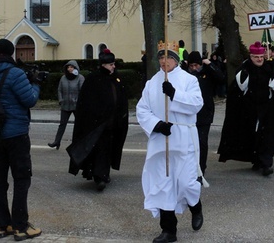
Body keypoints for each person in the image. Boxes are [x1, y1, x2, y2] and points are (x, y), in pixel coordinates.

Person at [137, 41, 204, 243]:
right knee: (162, 184)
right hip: (162, 140)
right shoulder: (152, 83)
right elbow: (142, 109)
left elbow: (196, 104)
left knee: (185, 182)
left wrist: (174, 93)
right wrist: (157, 124)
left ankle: (196, 206)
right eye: (161, 58)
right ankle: (169, 230)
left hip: (183, 138)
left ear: (175, 60)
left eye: (168, 57)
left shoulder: (188, 80)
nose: (164, 61)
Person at [0, 38, 42, 241]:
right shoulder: (16, 74)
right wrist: (36, 84)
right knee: (21, 179)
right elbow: (29, 100)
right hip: (16, 134)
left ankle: (2, 225)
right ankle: (20, 226)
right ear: (10, 53)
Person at [67, 49, 128, 191]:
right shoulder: (93, 79)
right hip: (98, 125)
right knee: (100, 150)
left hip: (113, 123)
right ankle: (99, 176)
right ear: (104, 65)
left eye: (114, 64)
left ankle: (104, 174)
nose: (113, 66)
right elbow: (87, 103)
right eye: (111, 64)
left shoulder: (116, 78)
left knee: (108, 150)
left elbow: (122, 97)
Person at [218, 42, 274, 176]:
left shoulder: (271, 68)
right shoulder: (244, 70)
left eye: (261, 57)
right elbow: (237, 91)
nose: (259, 59)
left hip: (267, 110)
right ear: (251, 57)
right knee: (253, 136)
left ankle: (266, 163)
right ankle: (256, 159)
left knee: (267, 137)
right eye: (255, 57)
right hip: (249, 110)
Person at [185, 50, 225, 175]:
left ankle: (201, 168)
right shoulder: (185, 75)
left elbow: (221, 78)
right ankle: (190, 168)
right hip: (188, 113)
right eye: (191, 66)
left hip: (204, 112)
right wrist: (183, 64)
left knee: (202, 142)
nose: (194, 68)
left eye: (196, 65)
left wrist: (210, 64)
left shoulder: (207, 72)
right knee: (188, 143)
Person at [48, 60, 85, 149]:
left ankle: (81, 142)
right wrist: (61, 100)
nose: (70, 69)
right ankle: (57, 142)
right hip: (65, 105)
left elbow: (83, 91)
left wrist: (79, 102)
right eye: (68, 67)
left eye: (71, 67)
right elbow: (59, 90)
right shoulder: (63, 78)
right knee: (62, 124)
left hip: (76, 105)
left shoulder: (80, 78)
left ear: (75, 68)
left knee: (80, 125)